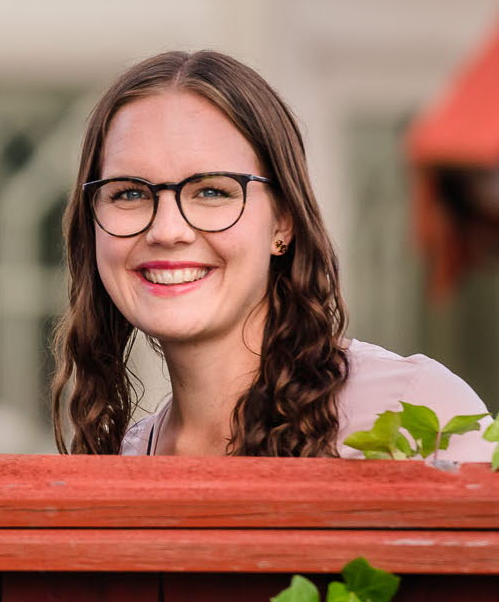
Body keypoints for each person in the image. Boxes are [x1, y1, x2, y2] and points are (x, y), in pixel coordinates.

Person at [50, 49, 492, 461]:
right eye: (128, 193)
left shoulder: (413, 411)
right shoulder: (130, 455)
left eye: (211, 191)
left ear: (283, 222)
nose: (167, 230)